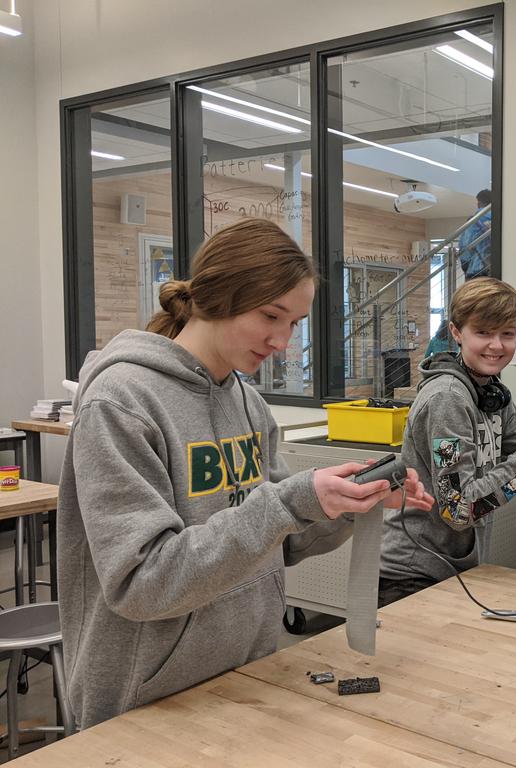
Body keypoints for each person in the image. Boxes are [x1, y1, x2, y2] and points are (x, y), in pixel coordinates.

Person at [57, 218, 433, 728]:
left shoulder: (247, 403)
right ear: (217, 296)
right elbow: (142, 583)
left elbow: (279, 541)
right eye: (270, 315)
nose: (283, 341)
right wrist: (287, 502)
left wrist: (344, 504)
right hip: (145, 699)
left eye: (296, 323)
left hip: (245, 676)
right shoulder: (120, 402)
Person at [378, 278, 516, 604]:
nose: (496, 345)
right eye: (483, 333)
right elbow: (459, 509)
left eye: (507, 334)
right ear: (456, 332)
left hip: (453, 569)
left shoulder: (490, 392)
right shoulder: (447, 400)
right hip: (411, 575)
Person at [457, 189, 492, 280]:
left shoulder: (474, 221)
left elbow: (465, 246)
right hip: (496, 269)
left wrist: (465, 267)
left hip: (477, 270)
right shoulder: (502, 217)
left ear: (479, 203)